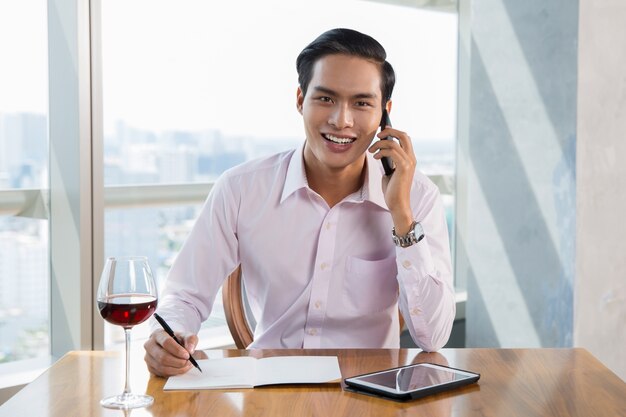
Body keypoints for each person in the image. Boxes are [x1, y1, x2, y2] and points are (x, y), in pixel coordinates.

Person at [144, 28, 455, 377]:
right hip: (269, 387)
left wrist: (401, 213)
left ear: (385, 112)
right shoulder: (241, 188)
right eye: (326, 99)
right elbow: (185, 294)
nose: (342, 120)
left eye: (362, 103)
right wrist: (166, 335)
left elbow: (434, 336)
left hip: (371, 389)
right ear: (299, 100)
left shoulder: (417, 197)